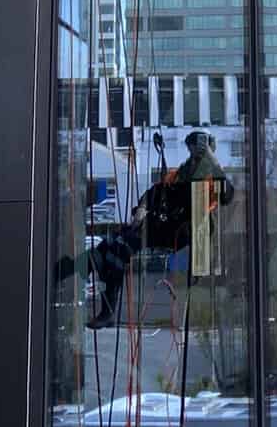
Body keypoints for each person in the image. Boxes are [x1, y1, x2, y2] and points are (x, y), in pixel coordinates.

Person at [75, 131, 235, 329]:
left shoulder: (213, 178)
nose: (194, 154)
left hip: (181, 229)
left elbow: (227, 196)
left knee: (119, 250)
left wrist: (211, 158)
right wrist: (142, 207)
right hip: (159, 223)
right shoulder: (181, 173)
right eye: (192, 149)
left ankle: (103, 305)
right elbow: (156, 191)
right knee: (110, 244)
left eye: (198, 150)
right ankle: (84, 273)